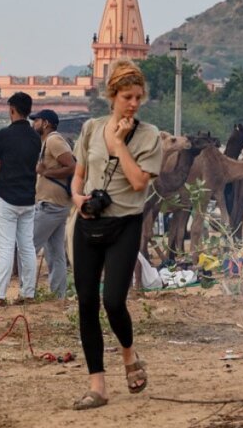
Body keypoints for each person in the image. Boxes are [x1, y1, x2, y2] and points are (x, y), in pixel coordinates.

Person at [70, 60, 163, 410]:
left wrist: (121, 143)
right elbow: (78, 175)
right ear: (112, 96)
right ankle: (98, 385)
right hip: (88, 224)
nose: (134, 103)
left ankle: (128, 355)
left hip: (125, 223)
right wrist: (78, 198)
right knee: (86, 304)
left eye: (139, 97)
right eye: (127, 96)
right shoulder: (91, 129)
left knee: (113, 301)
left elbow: (139, 182)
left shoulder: (148, 135)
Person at [0, 92, 42, 307]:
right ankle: (28, 293)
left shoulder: (5, 134)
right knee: (27, 247)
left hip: (6, 198)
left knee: (5, 248)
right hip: (28, 199)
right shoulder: (35, 138)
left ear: (12, 109)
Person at [30, 109, 75, 299]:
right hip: (57, 205)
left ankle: (27, 292)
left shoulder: (54, 141)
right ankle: (58, 296)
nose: (34, 124)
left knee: (27, 246)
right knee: (55, 253)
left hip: (51, 205)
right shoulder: (48, 142)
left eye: (37, 121)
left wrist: (46, 173)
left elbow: (72, 166)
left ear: (46, 123)